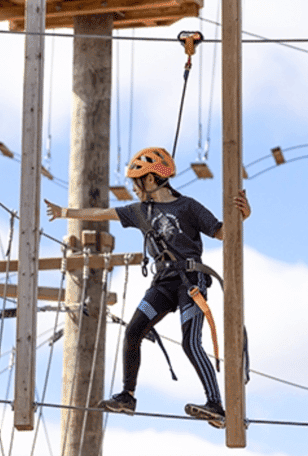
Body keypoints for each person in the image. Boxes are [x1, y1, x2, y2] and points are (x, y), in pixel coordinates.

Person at [45, 147, 251, 429]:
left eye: (136, 182)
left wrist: (242, 216)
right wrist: (65, 213)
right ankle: (127, 396)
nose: (133, 188)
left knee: (191, 342)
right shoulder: (140, 211)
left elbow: (222, 233)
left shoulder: (188, 207)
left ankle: (215, 405)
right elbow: (102, 213)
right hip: (163, 284)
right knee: (133, 331)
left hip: (191, 282)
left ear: (151, 179)